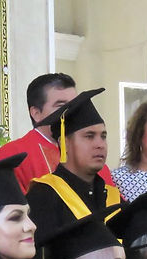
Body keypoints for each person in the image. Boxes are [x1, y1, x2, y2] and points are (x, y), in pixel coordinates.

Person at [26, 88, 121, 243]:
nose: (100, 144)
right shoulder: (43, 196)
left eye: (103, 136)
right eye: (89, 136)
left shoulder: (112, 196)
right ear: (65, 143)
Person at [0, 72, 115, 192]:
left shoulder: (89, 152)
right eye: (61, 106)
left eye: (76, 105)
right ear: (36, 113)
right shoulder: (13, 154)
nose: (73, 112)